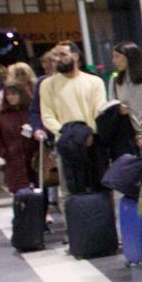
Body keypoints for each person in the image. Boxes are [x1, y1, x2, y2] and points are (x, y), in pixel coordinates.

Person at [39, 43, 106, 191]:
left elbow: (99, 111)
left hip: (92, 142)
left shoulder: (94, 82)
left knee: (100, 187)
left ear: (75, 56)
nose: (57, 59)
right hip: (65, 144)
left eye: (63, 55)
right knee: (69, 191)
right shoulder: (47, 85)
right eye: (55, 55)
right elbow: (47, 116)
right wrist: (68, 135)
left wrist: (89, 134)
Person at [0, 67, 39, 193]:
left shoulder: (30, 111)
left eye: (14, 94)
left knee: (37, 193)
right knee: (20, 194)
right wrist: (3, 152)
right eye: (8, 95)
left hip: (33, 158)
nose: (11, 97)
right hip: (13, 159)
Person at [110, 42, 142, 145]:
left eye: (117, 56)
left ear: (129, 57)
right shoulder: (115, 81)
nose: (114, 61)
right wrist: (118, 108)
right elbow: (111, 104)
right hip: (128, 136)